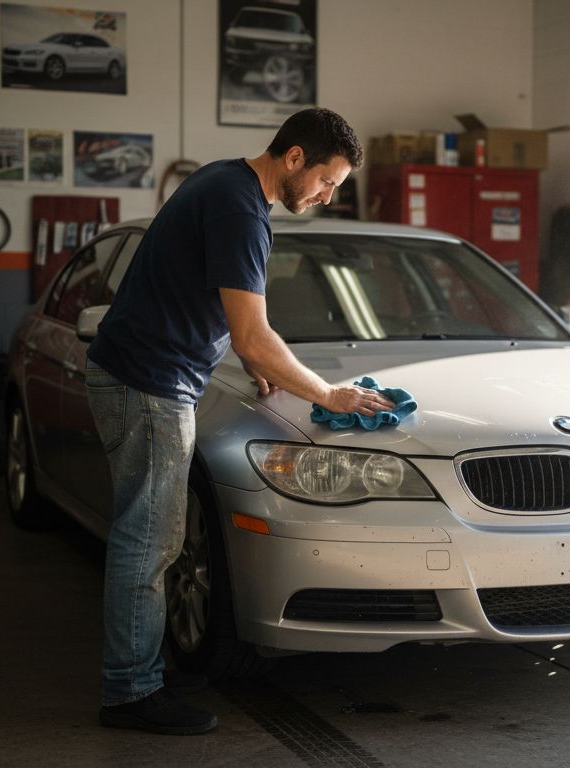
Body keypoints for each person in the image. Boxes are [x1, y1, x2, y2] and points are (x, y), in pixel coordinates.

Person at [84, 108, 395, 735]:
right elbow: (254, 334)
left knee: (153, 539)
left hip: (141, 375)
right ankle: (128, 692)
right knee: (147, 544)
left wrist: (251, 355)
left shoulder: (225, 183)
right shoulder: (238, 209)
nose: (327, 196)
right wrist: (327, 395)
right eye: (327, 182)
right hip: (148, 386)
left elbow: (207, 303)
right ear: (294, 158)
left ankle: (140, 669)